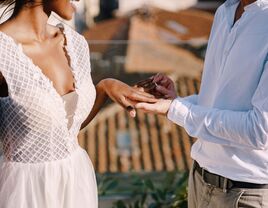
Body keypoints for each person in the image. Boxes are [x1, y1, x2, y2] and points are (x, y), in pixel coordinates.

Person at [0, 0, 156, 207]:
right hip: (24, 192)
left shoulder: (75, 43)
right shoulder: (3, 52)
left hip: (76, 183)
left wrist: (104, 88)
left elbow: (63, 131)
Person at [135, 0, 268, 207]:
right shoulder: (224, 12)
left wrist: (176, 110)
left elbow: (259, 130)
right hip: (199, 179)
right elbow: (219, 102)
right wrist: (176, 102)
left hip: (245, 193)